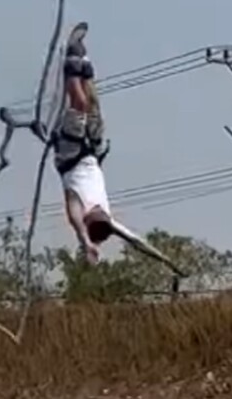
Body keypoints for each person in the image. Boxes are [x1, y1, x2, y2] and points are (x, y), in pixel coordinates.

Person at [54, 22, 186, 278]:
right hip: (91, 152)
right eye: (105, 215)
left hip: (70, 157)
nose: (103, 211)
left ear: (90, 222)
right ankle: (83, 55)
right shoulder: (108, 222)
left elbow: (74, 217)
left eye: (98, 216)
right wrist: (168, 261)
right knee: (93, 102)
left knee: (79, 103)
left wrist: (86, 244)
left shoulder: (79, 212)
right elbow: (138, 242)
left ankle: (71, 55)